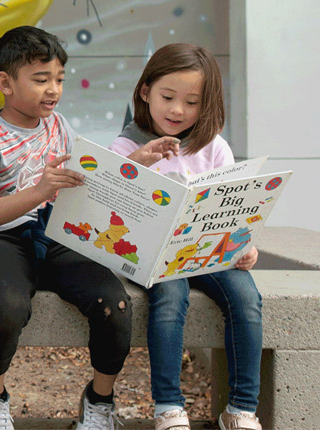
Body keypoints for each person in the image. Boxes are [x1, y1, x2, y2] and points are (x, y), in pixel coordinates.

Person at [0, 26, 132, 430]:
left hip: (56, 235)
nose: (53, 90)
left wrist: (140, 159)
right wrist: (39, 190)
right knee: (8, 306)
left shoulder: (58, 124)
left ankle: (99, 402)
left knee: (115, 303)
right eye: (40, 80)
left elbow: (89, 176)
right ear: (5, 83)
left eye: (58, 79)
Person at [109, 43, 263, 430]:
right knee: (171, 295)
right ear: (145, 92)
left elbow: (233, 210)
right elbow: (108, 202)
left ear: (207, 104)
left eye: (192, 102)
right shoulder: (126, 146)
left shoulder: (214, 147)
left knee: (246, 296)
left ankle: (242, 408)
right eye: (167, 97)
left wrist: (244, 245)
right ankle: (168, 406)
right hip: (152, 257)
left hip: (207, 253)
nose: (177, 110)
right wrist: (138, 162)